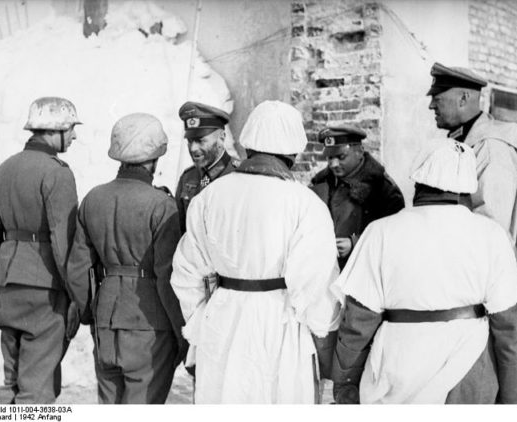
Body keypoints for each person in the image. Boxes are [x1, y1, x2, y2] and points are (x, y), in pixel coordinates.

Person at [331, 138, 517, 404]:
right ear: (468, 189)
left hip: (395, 370)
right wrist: (513, 400)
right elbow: (510, 329)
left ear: (418, 181)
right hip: (468, 373)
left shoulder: (381, 231)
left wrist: (345, 387)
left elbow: (357, 324)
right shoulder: (492, 235)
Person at [171, 101, 342, 404]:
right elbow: (315, 285)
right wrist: (321, 331)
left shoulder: (210, 196)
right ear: (292, 150)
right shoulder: (305, 203)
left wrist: (201, 322)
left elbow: (186, 272)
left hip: (222, 318)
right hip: (279, 322)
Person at [66, 113, 187, 404]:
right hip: (150, 322)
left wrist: (88, 313)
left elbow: (77, 269)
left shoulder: (94, 199)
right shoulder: (163, 206)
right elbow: (168, 277)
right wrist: (181, 333)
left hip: (105, 319)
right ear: (156, 156)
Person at [0, 97, 81, 404]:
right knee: (36, 387)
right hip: (45, 290)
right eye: (71, 129)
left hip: (7, 286)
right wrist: (76, 294)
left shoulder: (4, 169)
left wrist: (6, 267)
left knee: (11, 381)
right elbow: (64, 243)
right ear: (56, 130)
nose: (74, 136)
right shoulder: (58, 173)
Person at [427, 62, 517, 242]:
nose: (431, 106)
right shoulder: (462, 141)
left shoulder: (491, 150)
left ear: (463, 98)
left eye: (437, 98)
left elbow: (491, 232)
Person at [310, 125, 405, 268]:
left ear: (359, 152)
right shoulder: (320, 183)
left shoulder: (382, 188)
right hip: (324, 273)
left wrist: (355, 243)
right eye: (330, 158)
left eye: (341, 157)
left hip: (362, 274)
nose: (333, 164)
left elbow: (395, 235)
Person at [175, 101, 238, 233]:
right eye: (190, 141)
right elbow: (179, 231)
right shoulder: (188, 178)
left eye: (200, 141)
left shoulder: (239, 176)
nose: (193, 148)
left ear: (221, 138)